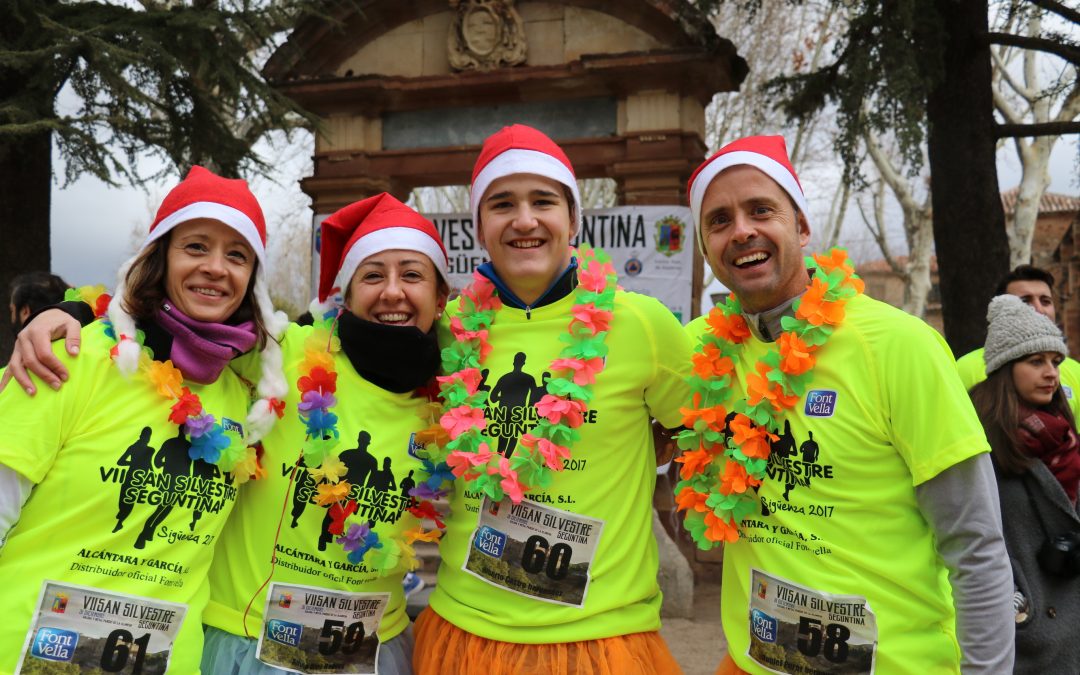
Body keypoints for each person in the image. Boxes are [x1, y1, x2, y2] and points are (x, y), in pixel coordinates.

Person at [10, 193, 453, 674]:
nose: (392, 292)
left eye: (412, 275)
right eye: (371, 275)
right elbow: (179, 321)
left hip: (372, 650)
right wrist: (71, 312)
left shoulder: (457, 393)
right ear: (345, 294)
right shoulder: (279, 355)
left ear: (441, 297)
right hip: (248, 644)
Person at [679, 135, 1014, 674]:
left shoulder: (898, 345)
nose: (741, 230)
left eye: (761, 209)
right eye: (719, 221)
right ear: (706, 247)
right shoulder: (698, 351)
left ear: (802, 227)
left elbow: (975, 547)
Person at [412, 124, 692, 675]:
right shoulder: (446, 333)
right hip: (464, 635)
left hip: (600, 643)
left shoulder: (642, 325)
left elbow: (709, 428)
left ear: (572, 220)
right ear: (480, 226)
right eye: (502, 204)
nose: (524, 220)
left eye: (543, 201)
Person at [0, 166, 287, 672]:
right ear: (158, 258)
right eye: (196, 246)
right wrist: (73, 310)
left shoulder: (247, 397)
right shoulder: (68, 355)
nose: (217, 268)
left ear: (253, 281)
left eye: (237, 255)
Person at [969, 294, 1080, 674]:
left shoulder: (1063, 436)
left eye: (1055, 362)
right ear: (1005, 368)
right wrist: (1017, 601)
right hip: (1022, 632)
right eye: (1036, 362)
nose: (1051, 373)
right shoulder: (978, 440)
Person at [956, 264, 1080, 417]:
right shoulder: (965, 369)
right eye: (1025, 301)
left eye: (1045, 301)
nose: (1038, 309)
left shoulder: (1075, 371)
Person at [8, 271, 70, 335]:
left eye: (12, 310)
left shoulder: (32, 344)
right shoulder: (79, 335)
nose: (12, 318)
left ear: (25, 311)